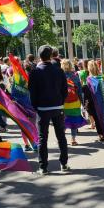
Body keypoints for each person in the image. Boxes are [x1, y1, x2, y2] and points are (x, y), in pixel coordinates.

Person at [28, 45, 69, 175]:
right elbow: (65, 90)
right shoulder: (59, 70)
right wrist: (60, 102)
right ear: (51, 56)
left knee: (42, 138)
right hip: (57, 107)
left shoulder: (34, 72)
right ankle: (64, 163)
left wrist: (36, 106)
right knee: (61, 136)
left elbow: (32, 93)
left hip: (42, 108)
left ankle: (43, 167)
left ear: (39, 56)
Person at [61, 59, 86, 146]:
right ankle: (73, 139)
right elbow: (79, 91)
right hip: (75, 102)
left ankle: (61, 139)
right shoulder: (75, 76)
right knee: (74, 122)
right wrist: (82, 103)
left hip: (63, 103)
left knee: (63, 121)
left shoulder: (59, 77)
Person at [83, 61, 104, 142]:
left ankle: (101, 135)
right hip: (103, 101)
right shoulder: (102, 77)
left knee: (97, 119)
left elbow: (88, 93)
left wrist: (85, 104)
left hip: (93, 102)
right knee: (102, 118)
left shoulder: (89, 79)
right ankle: (103, 133)